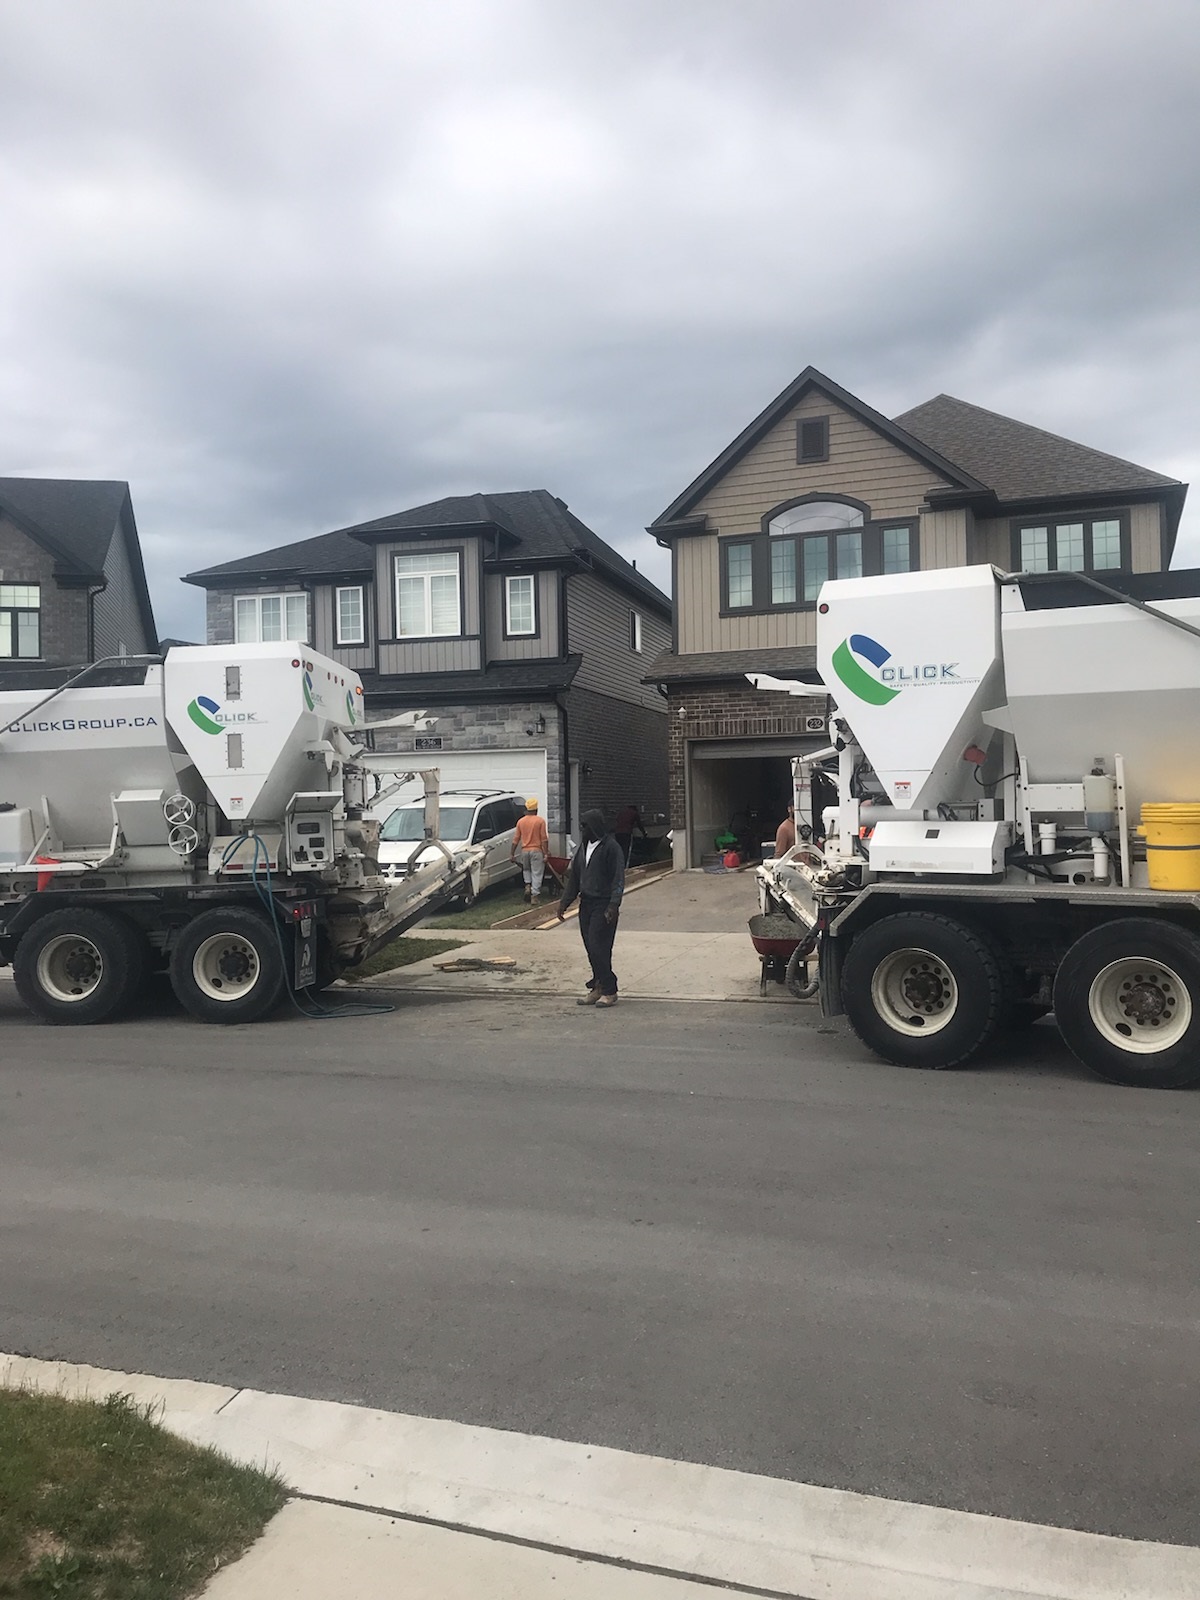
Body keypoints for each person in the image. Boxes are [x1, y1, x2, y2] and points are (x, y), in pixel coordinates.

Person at [556, 808, 624, 1007]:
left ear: (594, 826)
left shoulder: (611, 847)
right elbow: (575, 879)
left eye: (584, 826)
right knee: (590, 947)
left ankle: (610, 990)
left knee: (598, 946)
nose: (582, 829)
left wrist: (614, 904)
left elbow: (618, 878)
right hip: (586, 903)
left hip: (604, 904)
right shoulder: (584, 848)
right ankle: (598, 986)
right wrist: (564, 903)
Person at [511, 797, 550, 902]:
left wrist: (512, 854)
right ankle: (534, 895)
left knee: (526, 870)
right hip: (536, 851)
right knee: (537, 873)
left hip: (524, 851)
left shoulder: (520, 822)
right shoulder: (540, 821)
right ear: (536, 809)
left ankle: (527, 885)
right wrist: (546, 854)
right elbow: (544, 839)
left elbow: (515, 840)